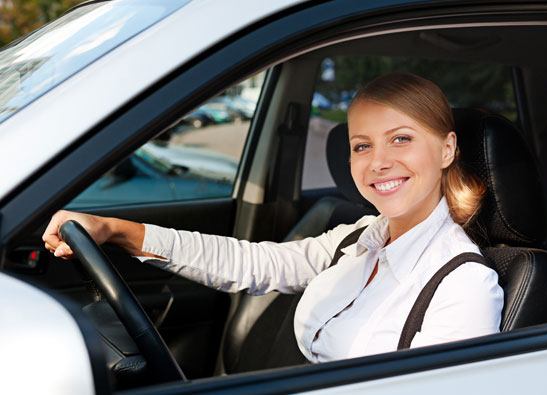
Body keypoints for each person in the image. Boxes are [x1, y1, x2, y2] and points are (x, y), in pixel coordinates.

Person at [43, 73, 503, 363]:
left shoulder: (462, 285)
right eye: (362, 145)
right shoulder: (360, 238)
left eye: (400, 139)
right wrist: (119, 230)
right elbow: (254, 264)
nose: (378, 161)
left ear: (447, 149)